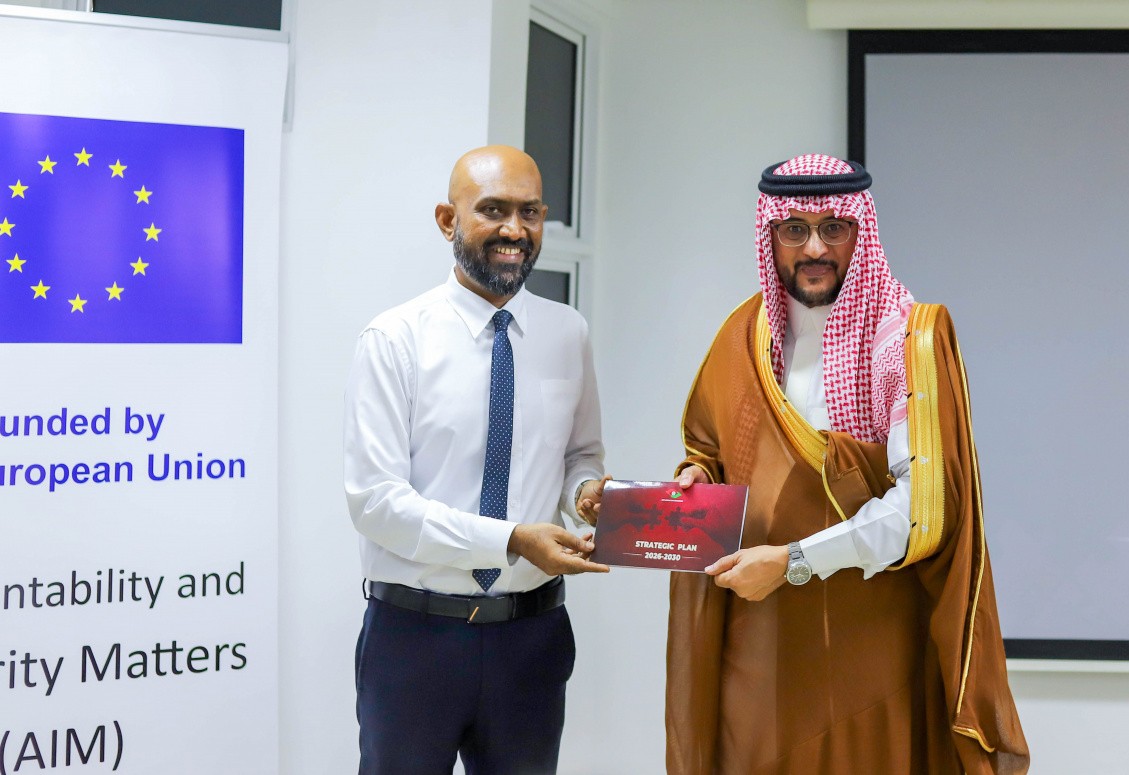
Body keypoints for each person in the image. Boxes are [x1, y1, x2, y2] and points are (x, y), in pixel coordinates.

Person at [665, 154, 1029, 774]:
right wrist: (699, 479)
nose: (814, 248)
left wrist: (792, 562)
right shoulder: (742, 336)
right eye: (795, 229)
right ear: (771, 234)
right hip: (760, 643)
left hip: (870, 640)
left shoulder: (905, 337)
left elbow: (919, 513)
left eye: (833, 227)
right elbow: (715, 452)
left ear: (861, 230)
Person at [343, 145, 609, 775]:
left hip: (531, 639)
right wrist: (511, 539)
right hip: (415, 639)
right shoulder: (395, 339)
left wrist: (586, 494)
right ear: (448, 220)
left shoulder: (568, 332)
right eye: (493, 210)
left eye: (530, 212)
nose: (515, 230)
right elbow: (376, 503)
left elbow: (580, 454)